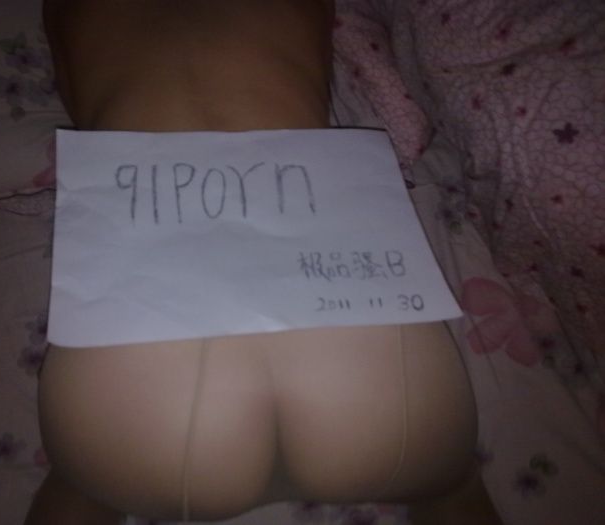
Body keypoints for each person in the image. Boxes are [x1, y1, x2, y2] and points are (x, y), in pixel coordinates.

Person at [25, 1, 482, 523]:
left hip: (145, 413)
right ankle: (451, 489)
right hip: (381, 386)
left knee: (87, 482)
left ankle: (88, 489)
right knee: (451, 484)